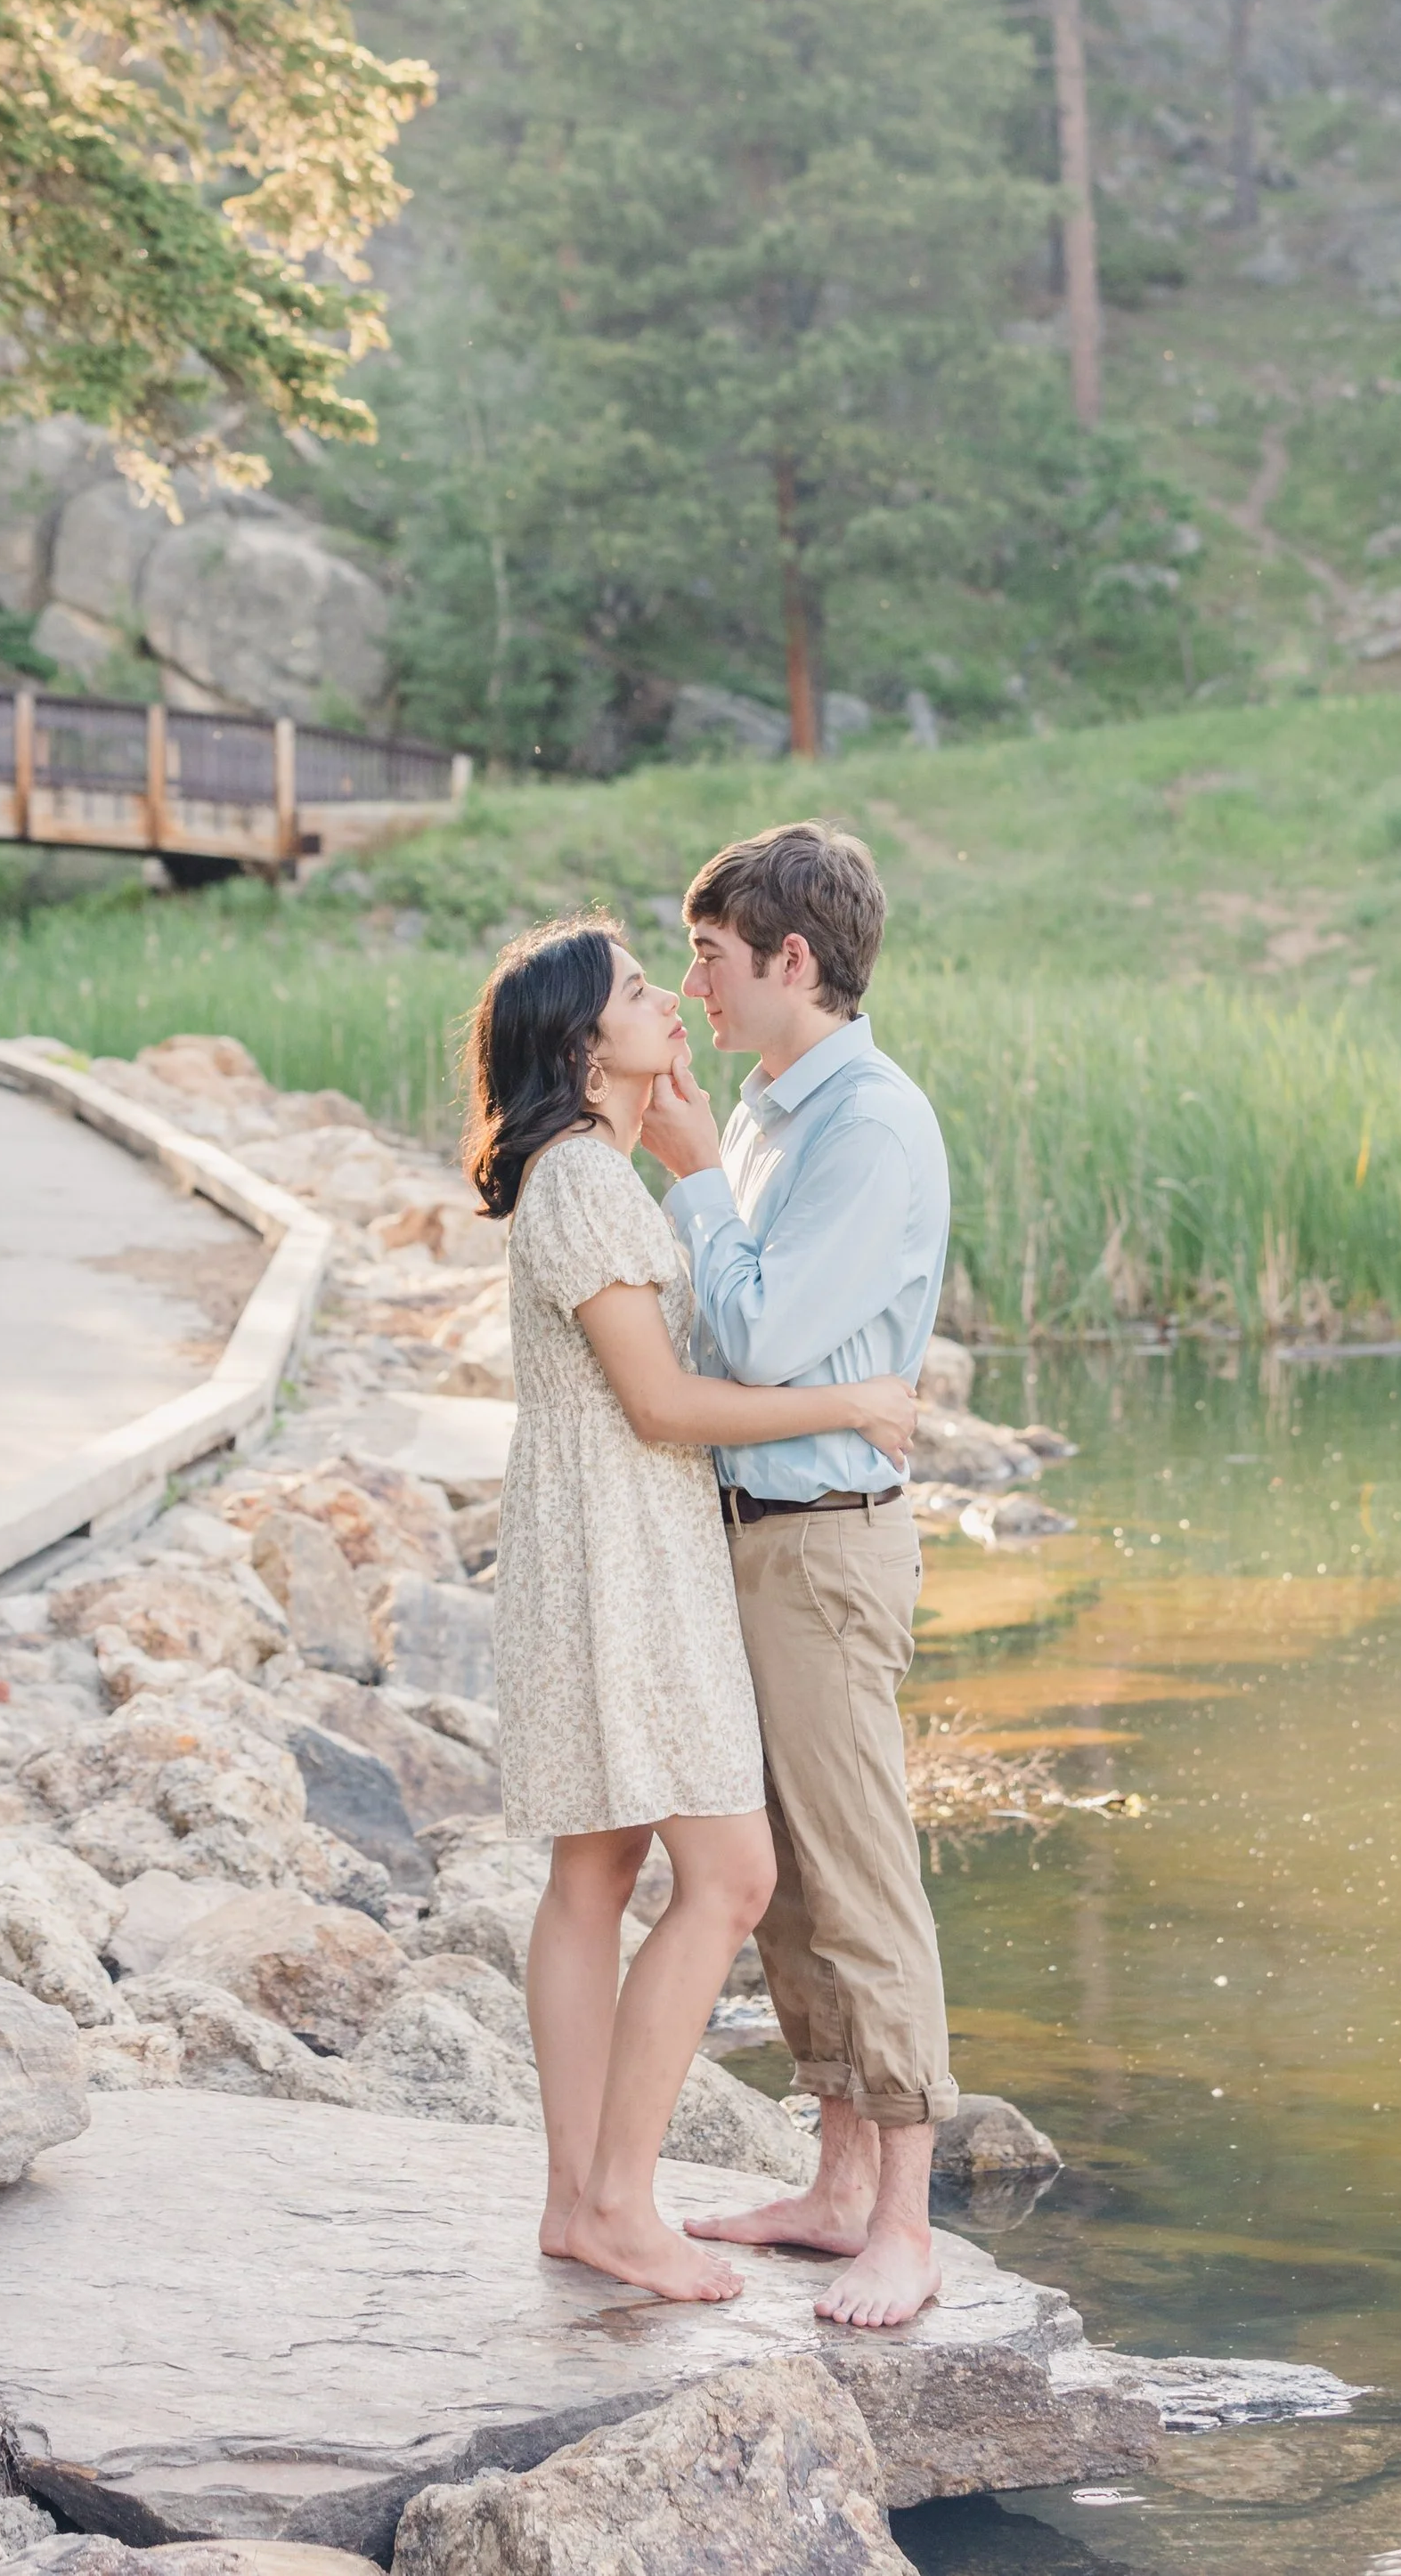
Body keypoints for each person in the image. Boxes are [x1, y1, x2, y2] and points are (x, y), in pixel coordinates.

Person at [466, 914, 920, 2306]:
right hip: (627, 1557)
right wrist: (848, 1399)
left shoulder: (580, 1175)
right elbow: (662, 1405)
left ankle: (576, 2201)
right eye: (637, 991)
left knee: (596, 1874)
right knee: (730, 1876)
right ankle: (615, 2199)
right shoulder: (591, 1187)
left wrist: (687, 1159)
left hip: (598, 1543)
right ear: (577, 1044)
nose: (670, 999)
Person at [639, 820, 955, 2329]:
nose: (693, 978)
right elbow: (722, 1337)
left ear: (792, 959)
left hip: (825, 1543)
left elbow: (762, 1340)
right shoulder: (770, 1106)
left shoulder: (868, 1126)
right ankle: (834, 2186)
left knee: (857, 1871)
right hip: (744, 1529)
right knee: (781, 1885)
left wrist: (692, 1172)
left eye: (709, 951)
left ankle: (907, 2220)